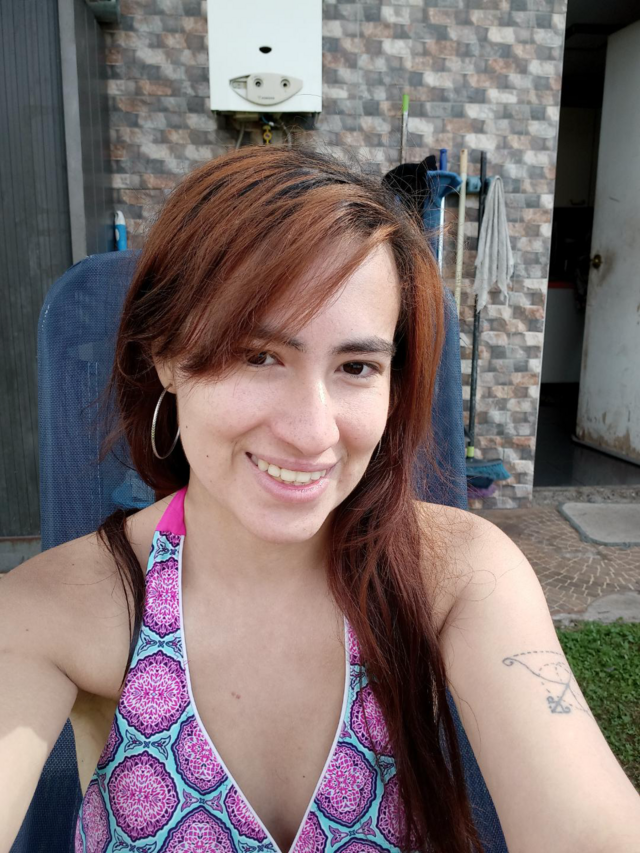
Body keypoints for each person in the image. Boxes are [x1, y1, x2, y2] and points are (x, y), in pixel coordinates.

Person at [1, 145, 639, 853]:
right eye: (259, 355)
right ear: (168, 356)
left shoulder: (457, 575)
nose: (312, 433)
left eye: (356, 365)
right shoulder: (59, 609)